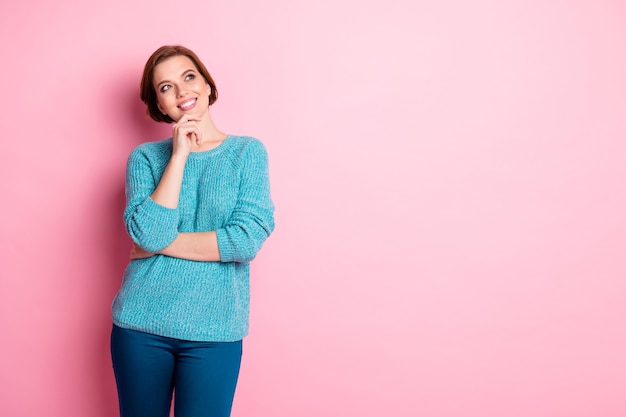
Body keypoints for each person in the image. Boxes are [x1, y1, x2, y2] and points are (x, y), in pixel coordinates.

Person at [110, 45, 275, 417]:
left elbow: (245, 240)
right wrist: (180, 154)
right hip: (140, 325)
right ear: (159, 106)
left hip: (215, 331)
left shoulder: (247, 153)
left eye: (188, 77)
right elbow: (148, 234)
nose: (182, 91)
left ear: (206, 84)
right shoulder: (146, 158)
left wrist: (158, 246)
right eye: (166, 87)